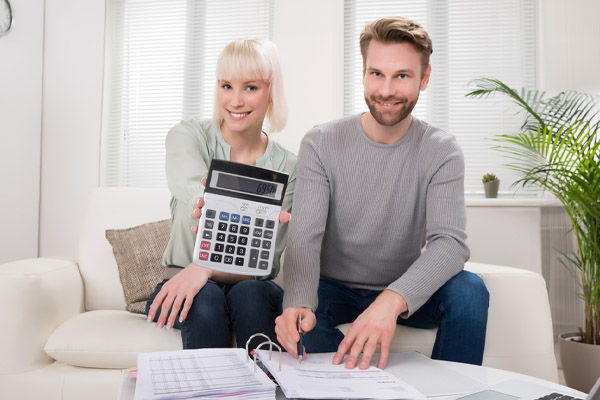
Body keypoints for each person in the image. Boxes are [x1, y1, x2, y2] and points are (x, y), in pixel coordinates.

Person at [274, 16, 489, 370]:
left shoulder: (442, 149)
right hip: (332, 289)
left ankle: (450, 393)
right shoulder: (321, 142)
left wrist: (391, 300)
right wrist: (298, 301)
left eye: (402, 76)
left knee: (470, 291)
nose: (386, 89)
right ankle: (372, 390)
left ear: (425, 77)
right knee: (295, 320)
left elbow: (449, 242)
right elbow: (305, 236)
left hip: (402, 286)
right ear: (363, 73)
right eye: (377, 74)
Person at [146, 38, 297, 352]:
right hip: (183, 278)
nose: (236, 101)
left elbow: (265, 263)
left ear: (272, 90)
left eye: (250, 87)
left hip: (249, 286)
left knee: (250, 295)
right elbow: (195, 192)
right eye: (226, 86)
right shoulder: (188, 136)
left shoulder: (289, 167)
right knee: (207, 296)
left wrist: (204, 266)